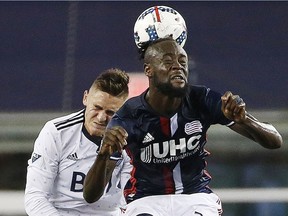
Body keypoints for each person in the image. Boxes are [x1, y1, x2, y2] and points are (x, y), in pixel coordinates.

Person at [83, 38, 283, 216]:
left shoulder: (203, 99)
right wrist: (103, 154)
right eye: (168, 62)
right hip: (146, 201)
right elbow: (91, 195)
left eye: (182, 62)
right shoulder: (128, 116)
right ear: (148, 70)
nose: (177, 67)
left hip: (195, 196)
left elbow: (275, 141)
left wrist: (244, 120)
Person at [24, 68, 132, 216]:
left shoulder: (132, 139)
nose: (101, 118)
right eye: (97, 108)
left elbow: (130, 201)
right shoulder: (57, 132)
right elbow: (35, 197)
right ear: (85, 98)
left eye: (110, 112)